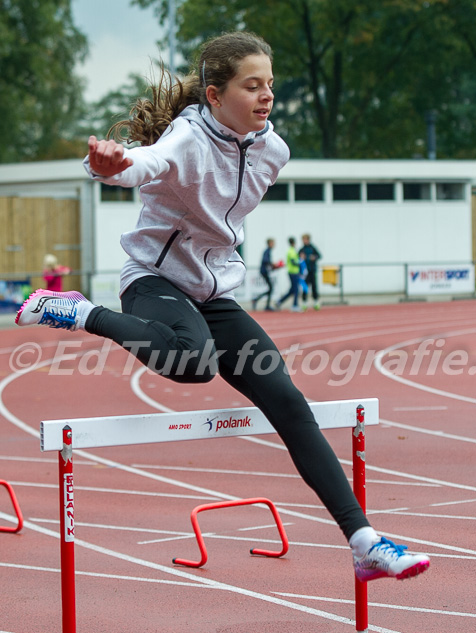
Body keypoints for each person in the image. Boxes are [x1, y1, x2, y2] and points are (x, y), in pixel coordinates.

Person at [15, 31, 429, 583]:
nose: (266, 97)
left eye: (271, 86)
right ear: (213, 95)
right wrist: (109, 165)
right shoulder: (187, 136)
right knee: (192, 362)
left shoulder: (273, 150)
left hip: (213, 292)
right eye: (251, 86)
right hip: (155, 280)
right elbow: (145, 163)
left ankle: (363, 541)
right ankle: (78, 311)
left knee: (285, 398)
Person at [252, 237, 282, 311]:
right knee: (271, 288)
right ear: (269, 243)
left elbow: (267, 263)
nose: (274, 244)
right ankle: (261, 302)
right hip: (264, 271)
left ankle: (258, 300)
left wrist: (275, 267)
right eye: (273, 243)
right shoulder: (267, 251)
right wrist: (273, 264)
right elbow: (265, 261)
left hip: (265, 271)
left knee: (270, 288)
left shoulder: (268, 251)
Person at [276, 237, 301, 312]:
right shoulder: (292, 251)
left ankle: (279, 301)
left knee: (292, 290)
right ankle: (295, 305)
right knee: (296, 289)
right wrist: (300, 264)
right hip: (293, 272)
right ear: (294, 243)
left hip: (292, 272)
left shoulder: (290, 250)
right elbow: (293, 261)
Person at [299, 233, 322, 310]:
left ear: (308, 239)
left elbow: (319, 256)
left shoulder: (313, 248)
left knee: (314, 287)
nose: (304, 241)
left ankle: (316, 302)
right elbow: (298, 259)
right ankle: (304, 303)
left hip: (312, 270)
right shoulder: (302, 249)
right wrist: (301, 258)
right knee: (305, 288)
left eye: (305, 239)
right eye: (303, 240)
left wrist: (314, 257)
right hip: (305, 272)